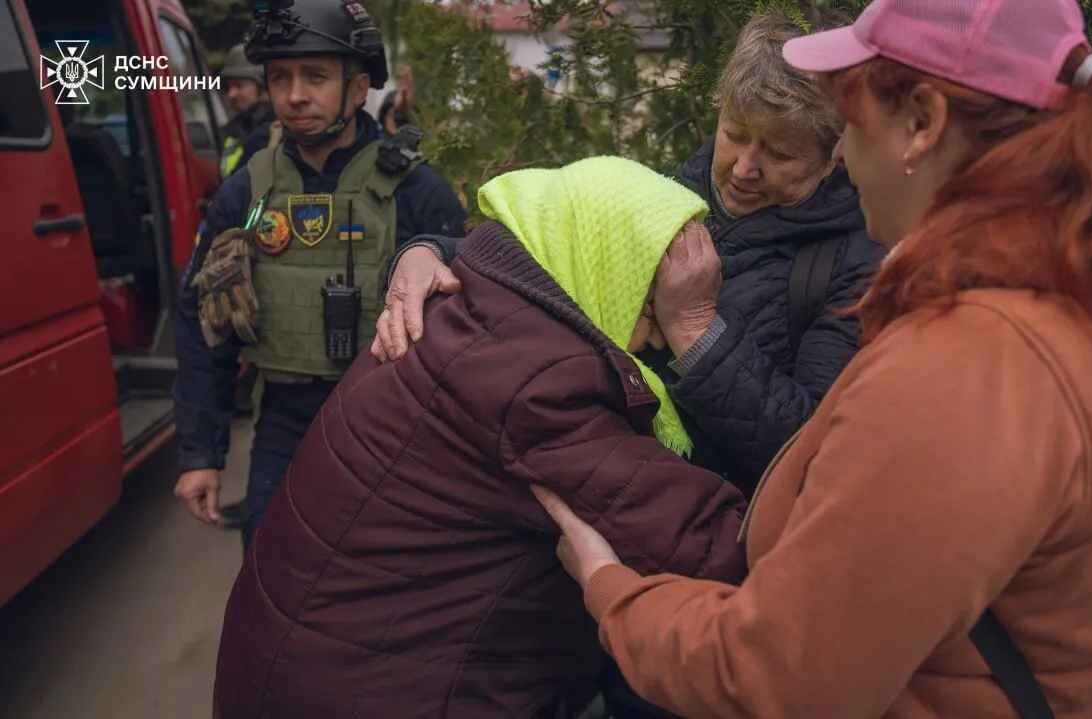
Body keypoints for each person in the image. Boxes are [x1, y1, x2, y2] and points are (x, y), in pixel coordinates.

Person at [532, 1, 1092, 718]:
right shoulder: (1056, 295)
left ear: (922, 124)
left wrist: (615, 590)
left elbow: (784, 678)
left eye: (853, 121)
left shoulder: (971, 363)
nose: (841, 155)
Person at [212, 157, 747, 718]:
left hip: (305, 665)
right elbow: (712, 551)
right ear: (605, 270)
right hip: (374, 690)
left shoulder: (472, 302)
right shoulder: (538, 381)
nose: (657, 337)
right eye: (652, 306)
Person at [378, 11, 884, 497]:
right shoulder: (662, 194)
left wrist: (695, 331)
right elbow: (540, 247)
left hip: (716, 528)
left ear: (832, 156)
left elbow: (812, 453)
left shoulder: (856, 269)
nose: (744, 168)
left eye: (779, 153)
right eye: (735, 134)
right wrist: (429, 253)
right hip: (595, 492)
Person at [171, 0, 467, 549]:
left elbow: (472, 313)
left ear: (358, 88)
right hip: (284, 421)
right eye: (279, 78)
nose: (295, 95)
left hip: (392, 421)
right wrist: (200, 453)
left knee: (386, 568)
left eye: (316, 76)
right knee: (268, 558)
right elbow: (200, 321)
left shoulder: (414, 189)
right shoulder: (247, 190)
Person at [218, 43, 277, 179]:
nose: (231, 94)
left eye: (239, 86)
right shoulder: (235, 128)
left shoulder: (280, 132)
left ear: (263, 86)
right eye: (229, 87)